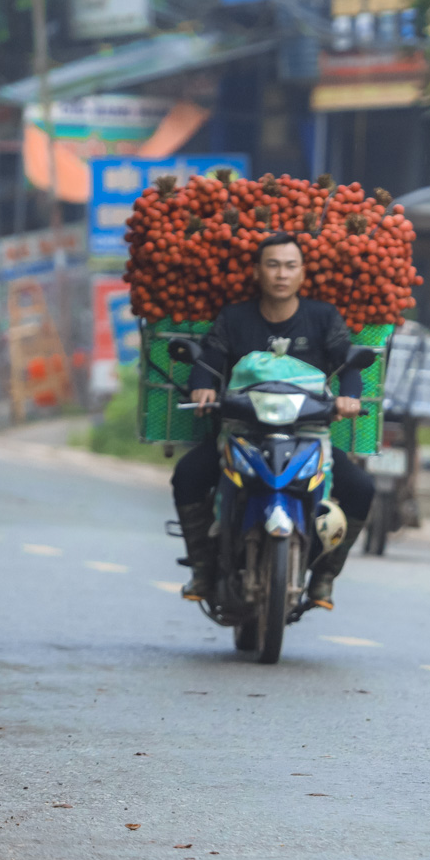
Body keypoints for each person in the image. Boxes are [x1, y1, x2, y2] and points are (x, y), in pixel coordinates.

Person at [171, 232, 375, 609]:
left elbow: (347, 361)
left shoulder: (322, 316)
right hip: (242, 433)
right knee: (186, 475)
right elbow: (208, 362)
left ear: (302, 274)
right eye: (273, 265)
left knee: (361, 488)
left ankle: (325, 574)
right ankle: (201, 566)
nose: (281, 274)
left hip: (307, 435)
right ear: (257, 272)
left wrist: (350, 397)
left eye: (290, 266)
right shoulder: (234, 318)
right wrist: (202, 389)